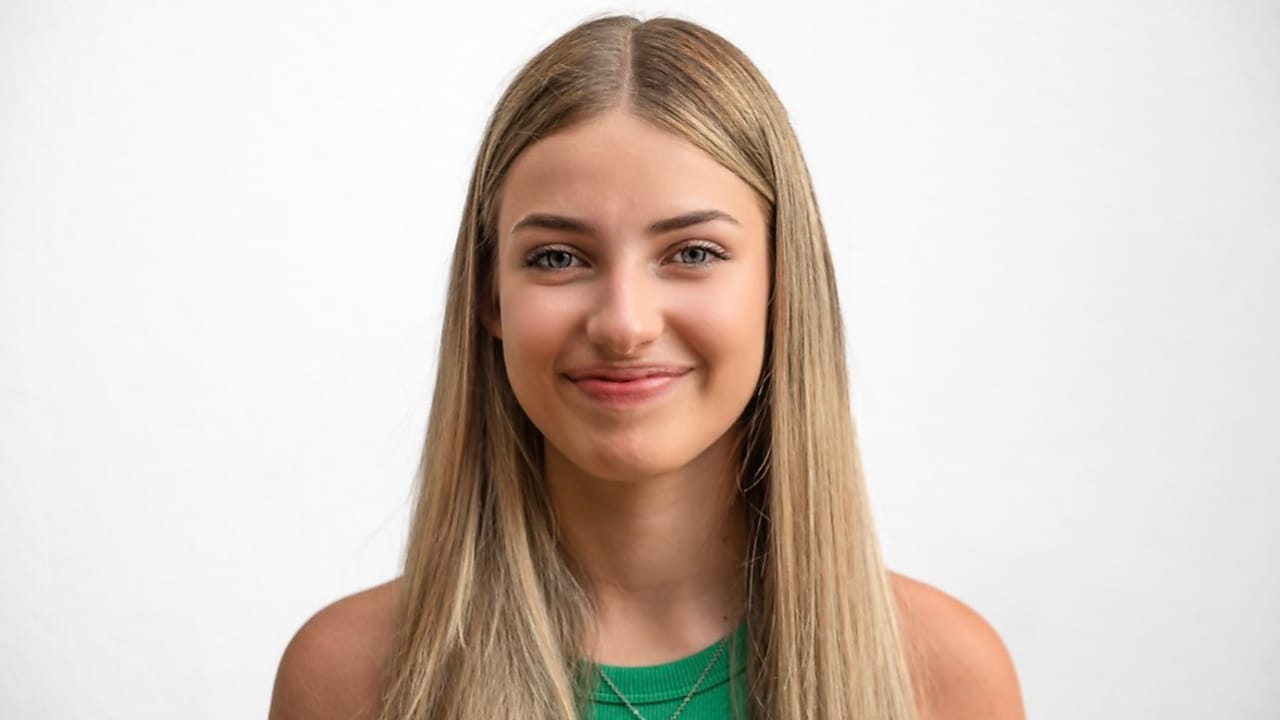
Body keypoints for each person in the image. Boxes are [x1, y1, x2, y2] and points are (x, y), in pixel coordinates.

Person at [269, 14, 1024, 720]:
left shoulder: (944, 677)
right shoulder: (349, 679)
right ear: (489, 298)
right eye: (557, 258)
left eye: (692, 252)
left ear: (782, 288)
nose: (625, 324)